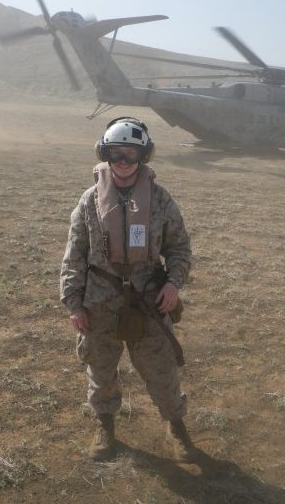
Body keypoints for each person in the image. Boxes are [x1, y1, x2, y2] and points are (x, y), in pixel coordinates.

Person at [60, 117, 195, 462]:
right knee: (100, 369)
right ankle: (105, 426)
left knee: (162, 370)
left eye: (131, 155)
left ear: (143, 158)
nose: (122, 162)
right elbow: (74, 255)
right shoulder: (89, 201)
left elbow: (179, 249)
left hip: (149, 300)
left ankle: (176, 428)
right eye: (115, 154)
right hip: (99, 303)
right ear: (104, 154)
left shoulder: (161, 201)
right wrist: (74, 304)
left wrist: (174, 285)